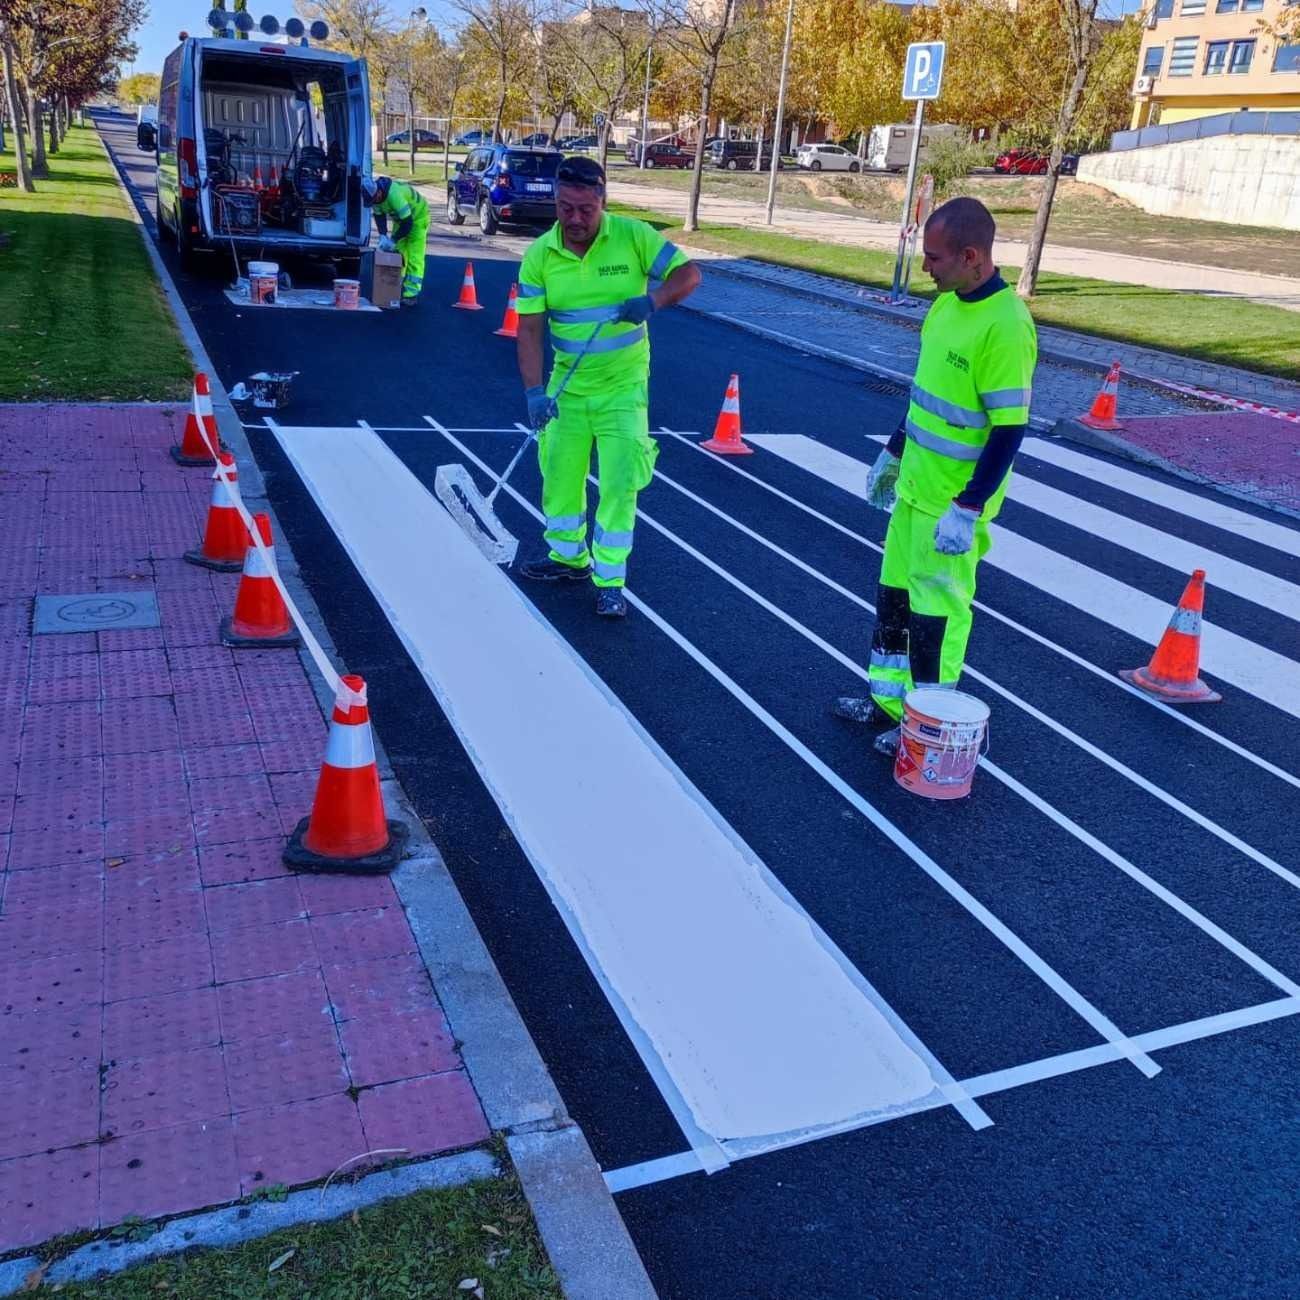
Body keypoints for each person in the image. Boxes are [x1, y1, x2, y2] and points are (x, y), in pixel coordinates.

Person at [834, 196, 1037, 754]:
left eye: (935, 258)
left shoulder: (1005, 325)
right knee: (895, 602)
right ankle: (887, 702)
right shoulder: (947, 305)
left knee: (937, 622)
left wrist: (969, 507)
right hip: (914, 493)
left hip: (950, 506)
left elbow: (1008, 429)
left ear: (971, 256)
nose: (926, 268)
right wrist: (894, 450)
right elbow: (927, 396)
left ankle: (929, 727)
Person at [513, 155, 702, 618]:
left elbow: (689, 274)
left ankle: (610, 578)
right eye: (564, 208)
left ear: (603, 201)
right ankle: (568, 558)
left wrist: (654, 298)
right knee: (559, 478)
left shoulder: (634, 237)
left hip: (623, 390)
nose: (575, 219)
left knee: (619, 484)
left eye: (585, 209)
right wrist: (535, 392)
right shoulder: (540, 256)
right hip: (567, 391)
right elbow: (531, 330)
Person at [361, 175, 428, 307]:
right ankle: (395, 286)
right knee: (398, 253)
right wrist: (383, 235)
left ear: (379, 192)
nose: (374, 203)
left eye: (374, 199)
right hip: (401, 220)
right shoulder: (376, 198)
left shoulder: (394, 195)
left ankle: (411, 294)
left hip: (418, 218)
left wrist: (394, 239)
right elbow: (379, 217)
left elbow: (408, 223)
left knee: (415, 256)